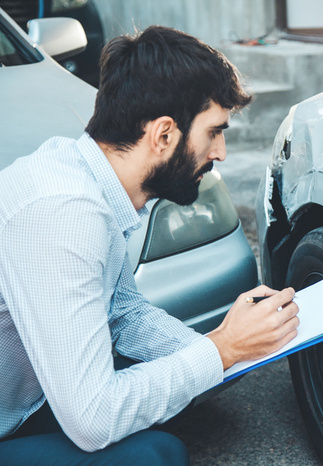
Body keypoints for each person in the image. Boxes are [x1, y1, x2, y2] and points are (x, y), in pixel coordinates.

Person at [0, 26, 299, 464]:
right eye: (214, 131)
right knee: (155, 454)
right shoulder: (66, 215)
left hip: (27, 400)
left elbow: (124, 314)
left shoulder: (91, 177)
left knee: (170, 394)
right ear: (163, 135)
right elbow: (94, 420)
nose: (221, 153)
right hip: (16, 416)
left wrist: (226, 342)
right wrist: (222, 351)